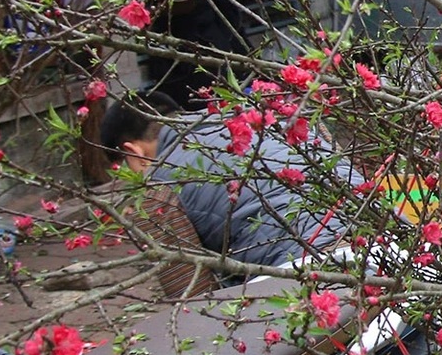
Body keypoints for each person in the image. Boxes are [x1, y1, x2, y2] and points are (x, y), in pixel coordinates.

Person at [100, 96, 359, 268]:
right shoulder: (257, 115)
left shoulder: (161, 188)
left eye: (121, 168)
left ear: (133, 153)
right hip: (384, 232)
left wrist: (149, 214)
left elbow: (191, 291)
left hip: (311, 267)